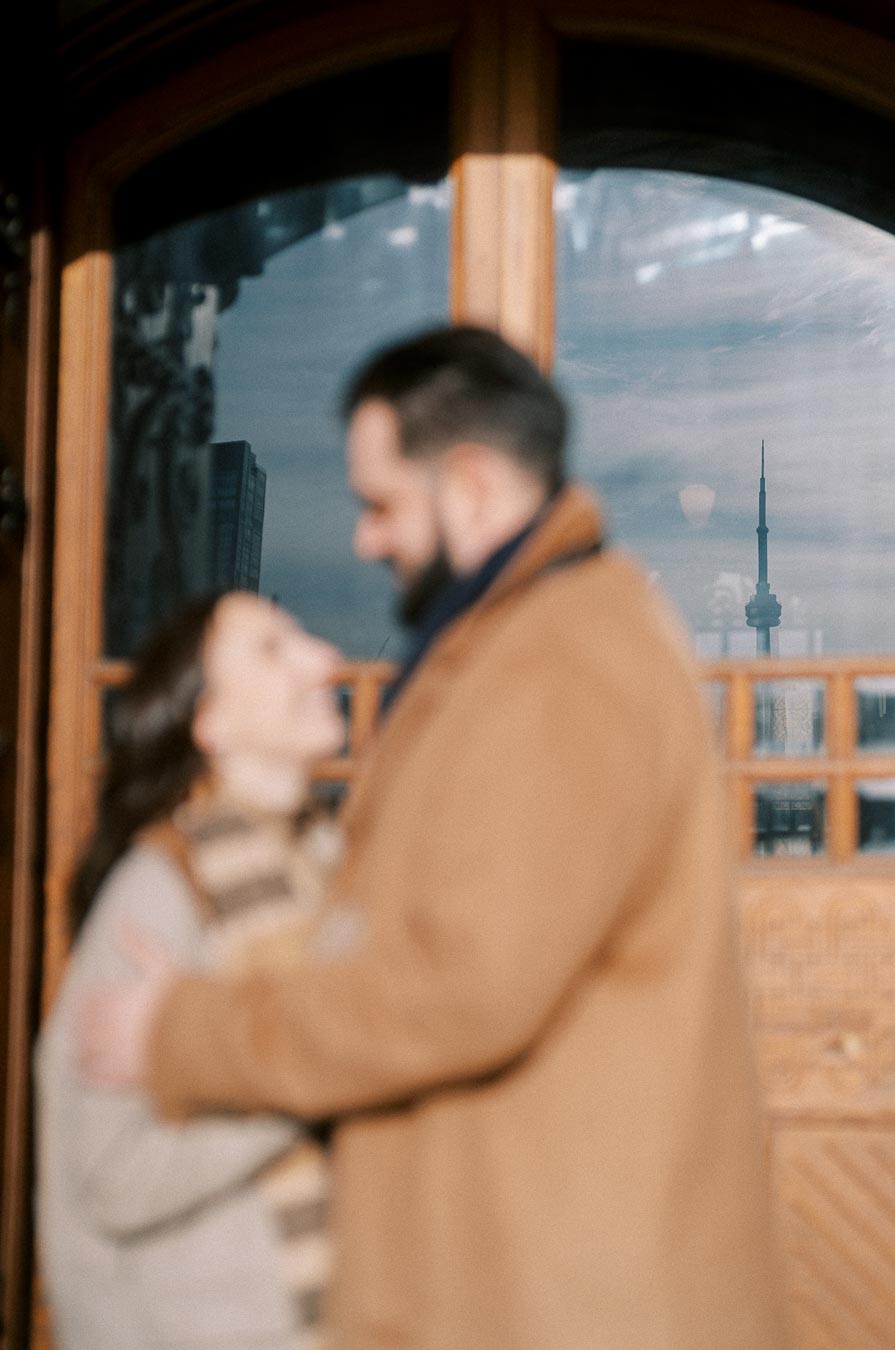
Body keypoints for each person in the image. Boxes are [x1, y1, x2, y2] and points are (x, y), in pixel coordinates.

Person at [80, 325, 788, 1349]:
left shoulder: (558, 662)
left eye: (379, 504)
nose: (365, 540)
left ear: (469, 484)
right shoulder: (520, 643)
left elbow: (459, 984)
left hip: (558, 1296)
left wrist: (186, 1036)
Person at [37, 590, 346, 1349]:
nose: (324, 660)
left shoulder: (332, 867)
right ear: (210, 722)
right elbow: (111, 1174)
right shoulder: (159, 891)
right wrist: (314, 1080)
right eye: (274, 649)